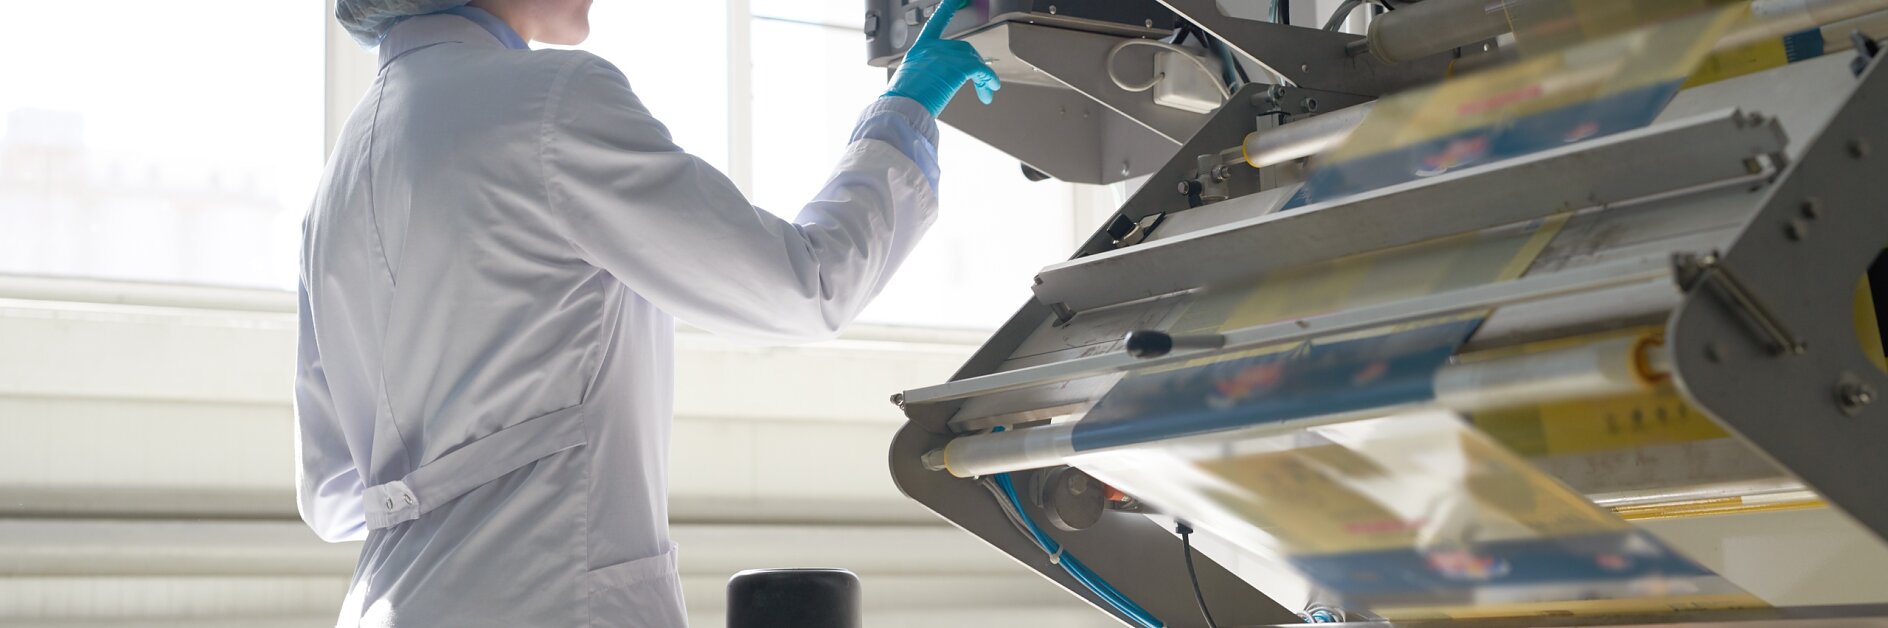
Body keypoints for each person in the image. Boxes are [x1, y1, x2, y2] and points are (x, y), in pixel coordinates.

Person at [295, 1, 998, 626]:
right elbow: (808, 284)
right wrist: (907, 107)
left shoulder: (341, 172)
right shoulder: (548, 102)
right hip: (544, 599)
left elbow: (332, 496)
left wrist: (454, 484)